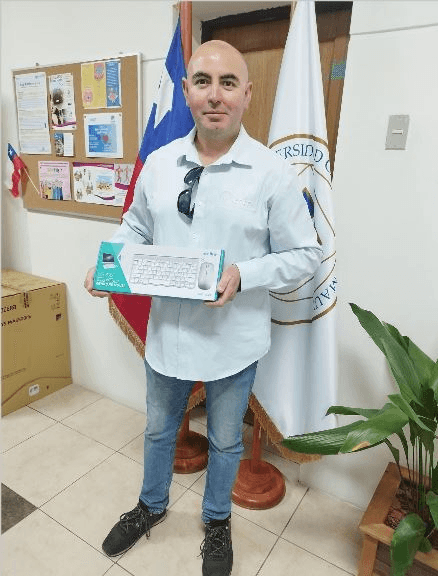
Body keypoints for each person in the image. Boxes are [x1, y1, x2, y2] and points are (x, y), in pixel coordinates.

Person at [84, 39, 322, 576]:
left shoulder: (270, 173)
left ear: (247, 94)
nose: (215, 95)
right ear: (187, 90)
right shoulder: (160, 164)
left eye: (228, 83)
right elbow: (135, 226)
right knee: (157, 431)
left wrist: (246, 274)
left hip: (232, 340)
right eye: (203, 82)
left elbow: (306, 254)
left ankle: (217, 520)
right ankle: (150, 504)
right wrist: (108, 264)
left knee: (224, 439)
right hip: (168, 335)